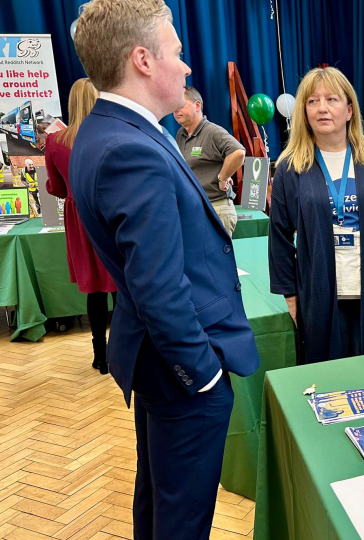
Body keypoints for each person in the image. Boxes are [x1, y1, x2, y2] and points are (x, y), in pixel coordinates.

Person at [70, 1, 260, 538]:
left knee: (157, 504)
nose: (187, 66)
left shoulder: (109, 130)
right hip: (180, 371)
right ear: (143, 60)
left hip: (154, 360)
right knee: (180, 520)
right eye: (176, 52)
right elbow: (157, 288)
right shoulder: (131, 147)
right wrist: (202, 375)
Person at [269, 67, 364, 364]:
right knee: (327, 374)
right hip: (318, 290)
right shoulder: (291, 167)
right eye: (312, 101)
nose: (322, 108)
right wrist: (290, 296)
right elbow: (280, 236)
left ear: (349, 110)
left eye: (332, 99)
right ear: (303, 112)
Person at [45, 78, 118, 375]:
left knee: (95, 291)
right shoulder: (111, 134)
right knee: (120, 286)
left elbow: (57, 188)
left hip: (81, 219)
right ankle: (128, 349)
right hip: (112, 216)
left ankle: (100, 356)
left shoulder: (55, 142)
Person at [174, 85, 246, 236]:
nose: (176, 110)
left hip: (216, 209)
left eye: (180, 105)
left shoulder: (212, 132)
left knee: (217, 259)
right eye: (174, 106)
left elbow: (238, 152)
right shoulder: (180, 134)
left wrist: (223, 177)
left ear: (197, 105)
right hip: (193, 209)